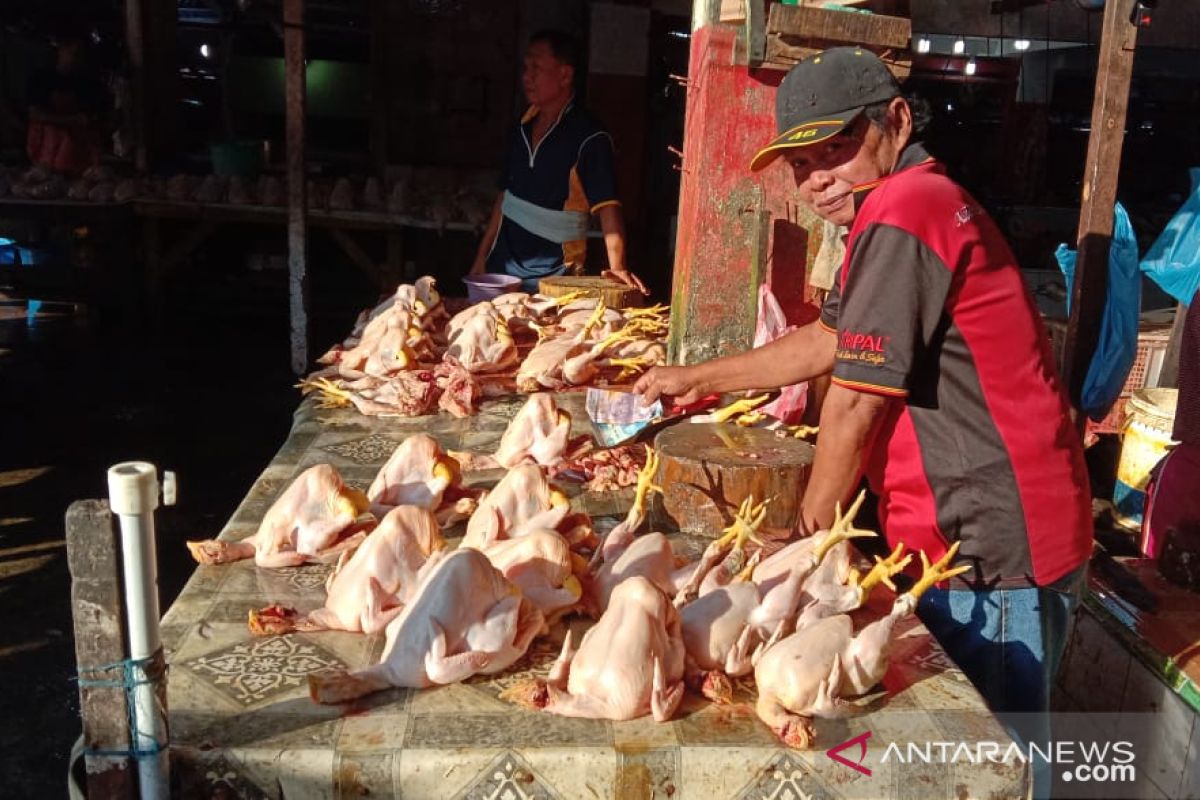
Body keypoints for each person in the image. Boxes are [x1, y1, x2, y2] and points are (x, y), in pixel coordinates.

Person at [634, 47, 1091, 787]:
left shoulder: (907, 208)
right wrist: (697, 378)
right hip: (967, 533)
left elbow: (852, 401)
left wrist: (808, 550)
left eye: (837, 149)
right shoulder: (906, 205)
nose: (818, 181)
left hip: (990, 547)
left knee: (988, 771)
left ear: (898, 120)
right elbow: (828, 340)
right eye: (801, 165)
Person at [470, 30, 647, 295]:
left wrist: (618, 267)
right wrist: (480, 257)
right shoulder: (520, 128)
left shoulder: (589, 136)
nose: (526, 76)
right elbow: (504, 199)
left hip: (557, 278)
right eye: (525, 67)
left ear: (565, 75)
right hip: (502, 269)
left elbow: (607, 207)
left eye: (536, 68)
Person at [26, 28, 103, 176]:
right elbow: (34, 114)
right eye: (72, 53)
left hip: (80, 153)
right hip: (45, 151)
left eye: (80, 55)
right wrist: (70, 120)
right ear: (61, 50)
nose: (75, 59)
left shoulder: (88, 82)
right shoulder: (41, 79)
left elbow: (95, 117)